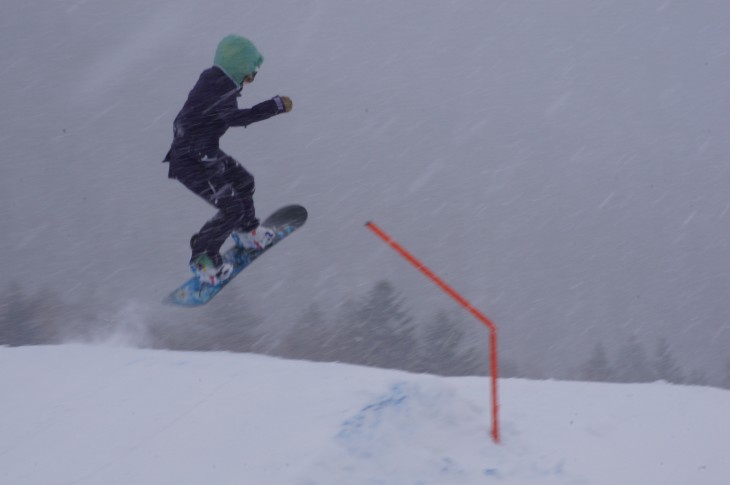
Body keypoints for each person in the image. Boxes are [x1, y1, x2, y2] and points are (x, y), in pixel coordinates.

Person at [163, 35, 292, 285]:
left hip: (203, 154)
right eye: (250, 74)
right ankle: (202, 258)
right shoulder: (217, 88)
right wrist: (274, 106)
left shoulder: (218, 84)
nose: (250, 81)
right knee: (231, 207)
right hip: (191, 161)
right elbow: (236, 119)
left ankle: (247, 231)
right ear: (238, 67)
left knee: (244, 180)